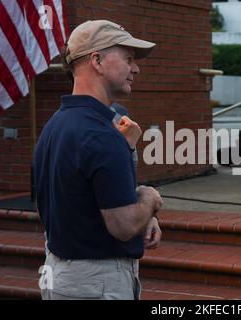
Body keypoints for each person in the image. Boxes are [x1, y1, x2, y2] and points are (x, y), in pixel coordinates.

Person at [33, 20, 163, 300]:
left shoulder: (55, 125)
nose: (136, 68)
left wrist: (139, 201)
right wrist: (150, 199)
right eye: (128, 58)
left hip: (60, 274)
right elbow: (124, 225)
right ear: (97, 61)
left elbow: (79, 202)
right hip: (97, 283)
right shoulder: (100, 133)